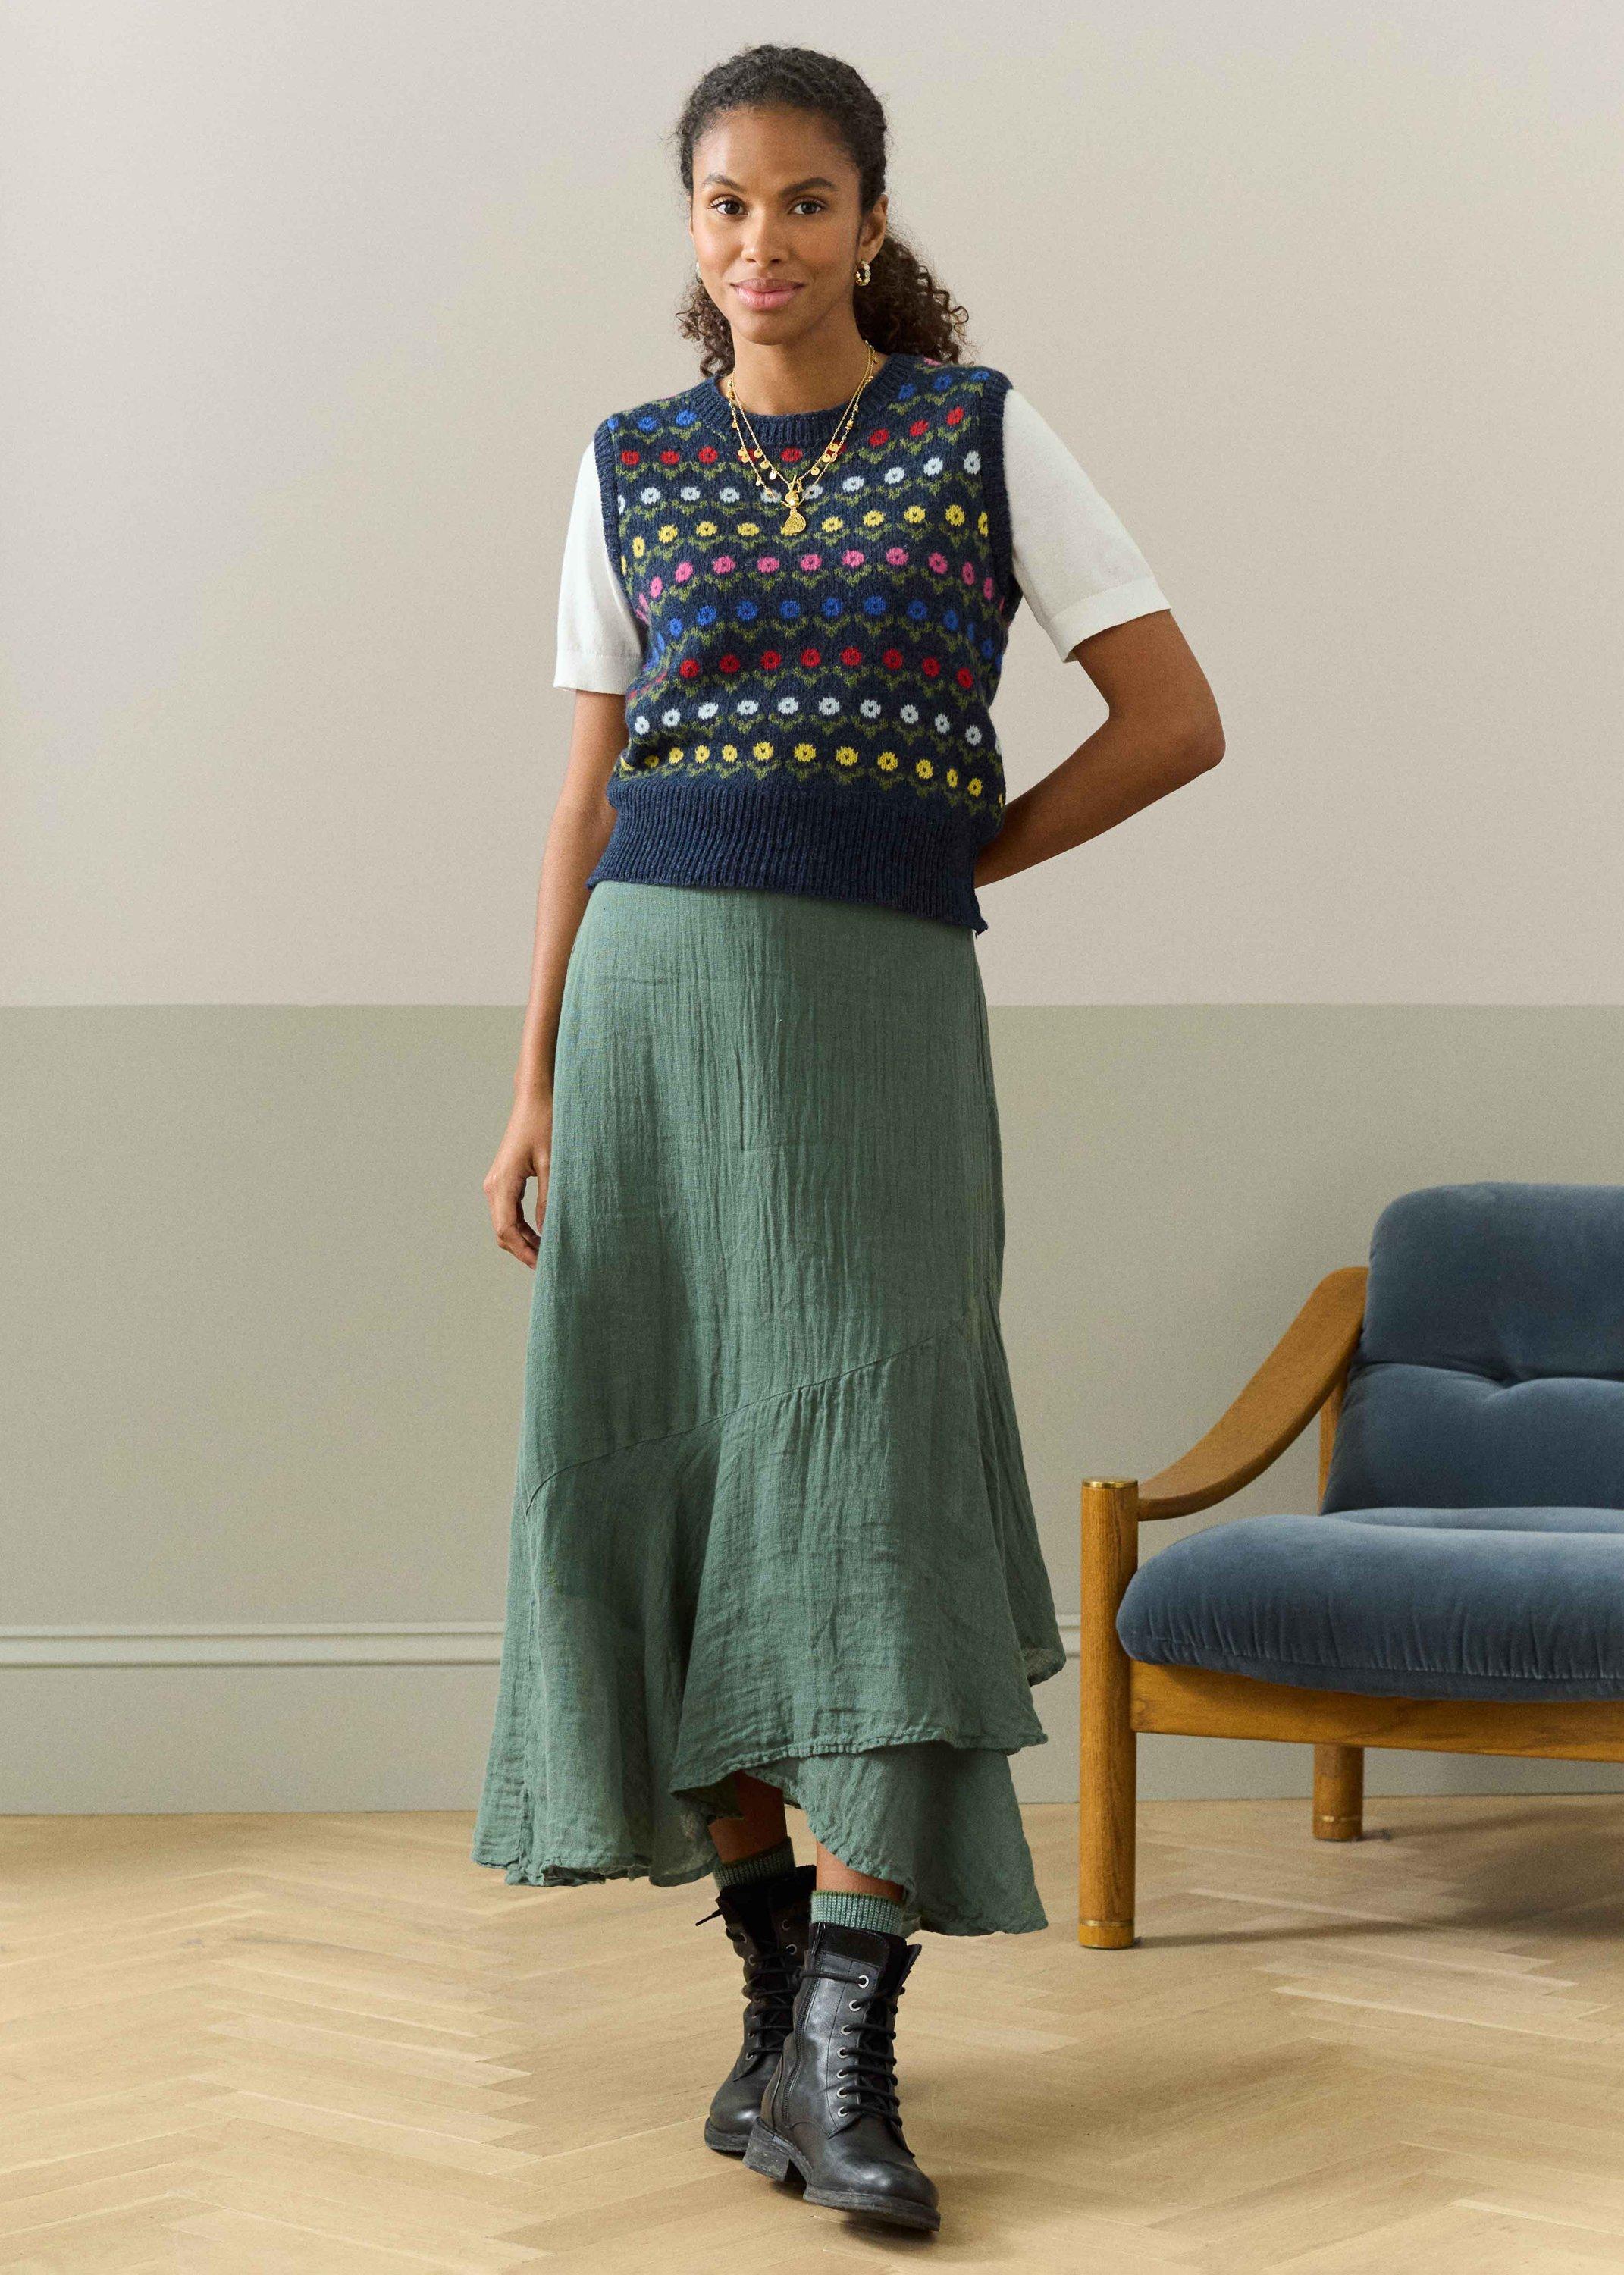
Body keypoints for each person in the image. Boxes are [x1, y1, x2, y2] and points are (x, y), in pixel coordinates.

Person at [472, 42, 1223, 2236]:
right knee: (673, 1471)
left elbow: (1174, 716)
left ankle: (848, 2039)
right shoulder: (628, 464)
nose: (764, 243)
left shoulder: (977, 435)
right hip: (648, 1015)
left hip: (877, 1017)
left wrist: (952, 847)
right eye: (727, 205)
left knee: (877, 1485)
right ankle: (777, 2021)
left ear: (870, 221)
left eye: (805, 202)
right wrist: (530, 1080)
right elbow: (585, 794)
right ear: (689, 229)